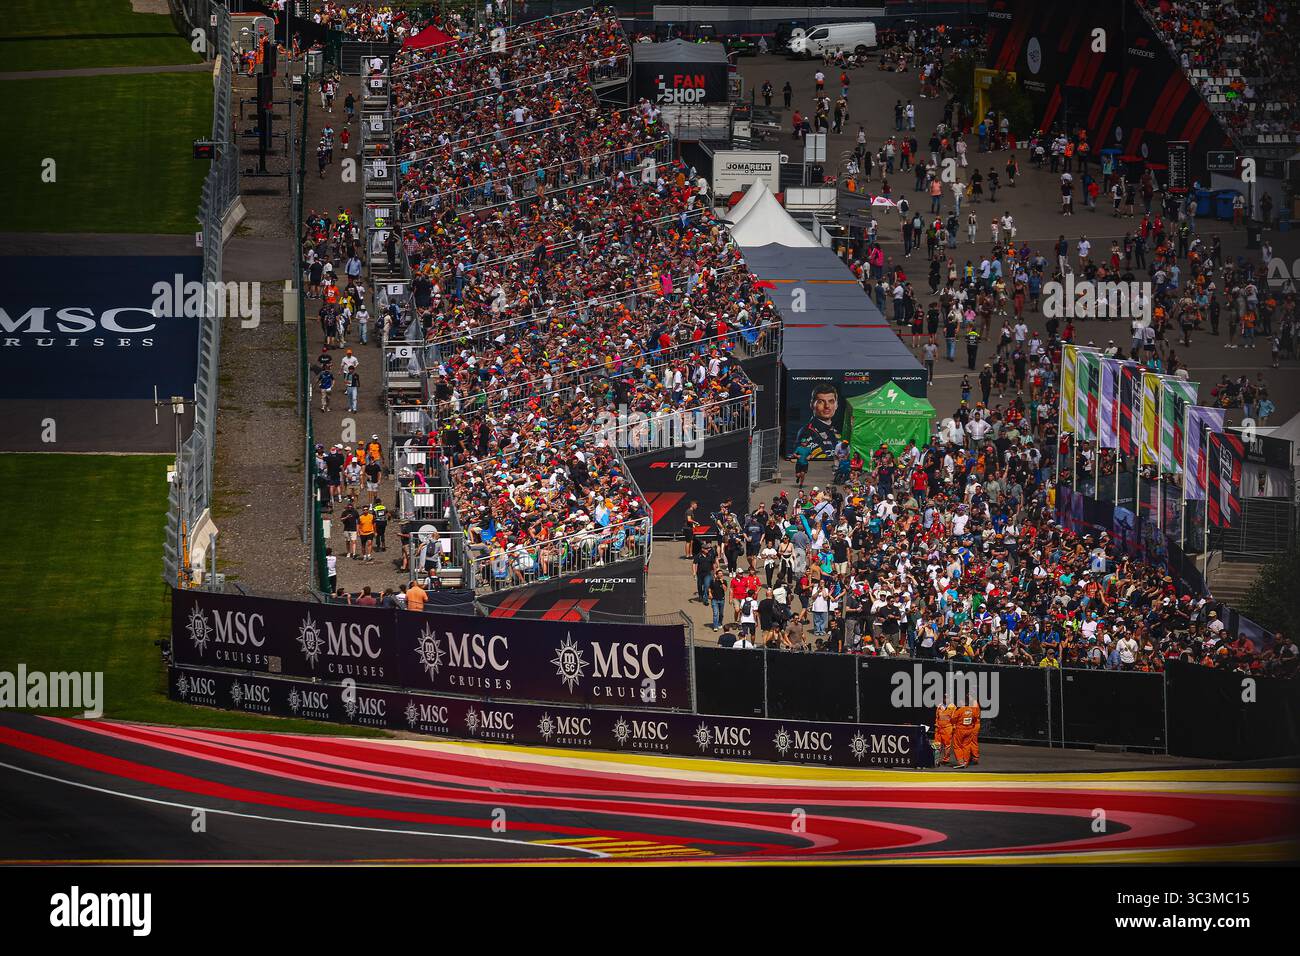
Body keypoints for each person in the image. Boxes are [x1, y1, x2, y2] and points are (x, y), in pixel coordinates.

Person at [796, 382, 840, 455]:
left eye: (831, 401)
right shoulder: (807, 432)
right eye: (821, 402)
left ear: (836, 405)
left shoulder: (837, 429)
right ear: (812, 404)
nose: (827, 406)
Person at [952, 693, 980, 768]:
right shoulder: (971, 709)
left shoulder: (960, 710)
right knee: (966, 746)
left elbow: (953, 719)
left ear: (962, 702)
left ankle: (961, 761)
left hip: (960, 730)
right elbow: (975, 717)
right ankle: (965, 762)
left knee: (957, 746)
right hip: (969, 729)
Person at [934, 695, 956, 766]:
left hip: (947, 728)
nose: (946, 699)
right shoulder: (939, 706)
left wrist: (953, 727)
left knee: (947, 745)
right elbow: (937, 717)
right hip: (939, 728)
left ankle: (946, 759)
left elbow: (954, 719)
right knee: (937, 744)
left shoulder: (953, 707)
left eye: (947, 698)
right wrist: (936, 724)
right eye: (945, 698)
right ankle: (936, 759)